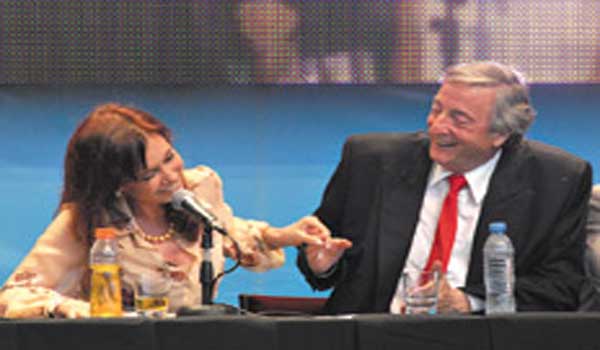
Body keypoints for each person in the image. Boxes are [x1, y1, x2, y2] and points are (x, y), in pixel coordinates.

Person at [297, 61, 593, 314]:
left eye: (458, 119)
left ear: (501, 133)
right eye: (436, 109)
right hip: (374, 333)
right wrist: (323, 265)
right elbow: (324, 252)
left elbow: (561, 286)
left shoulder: (555, 180)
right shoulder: (370, 161)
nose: (438, 126)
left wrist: (468, 301)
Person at [0, 103, 327, 318]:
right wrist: (74, 309)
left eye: (169, 157)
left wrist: (283, 236)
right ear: (120, 184)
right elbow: (12, 298)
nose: (171, 176)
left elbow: (227, 232)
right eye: (150, 174)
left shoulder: (198, 188)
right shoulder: (86, 222)